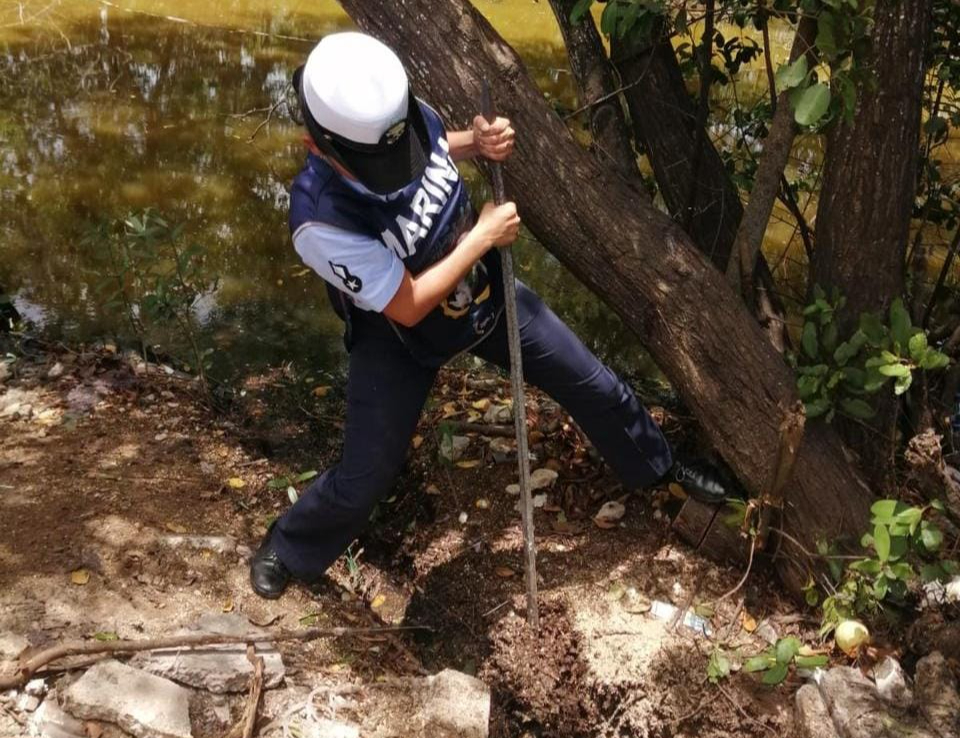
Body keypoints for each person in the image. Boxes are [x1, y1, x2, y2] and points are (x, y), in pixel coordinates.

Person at [251, 32, 729, 599]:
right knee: (366, 475)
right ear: (316, 144)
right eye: (374, 164)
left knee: (590, 379)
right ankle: (289, 546)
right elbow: (405, 304)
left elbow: (432, 145)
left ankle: (658, 466)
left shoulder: (395, 109)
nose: (395, 166)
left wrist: (474, 144)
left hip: (482, 294)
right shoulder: (320, 222)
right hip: (397, 337)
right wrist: (480, 237)